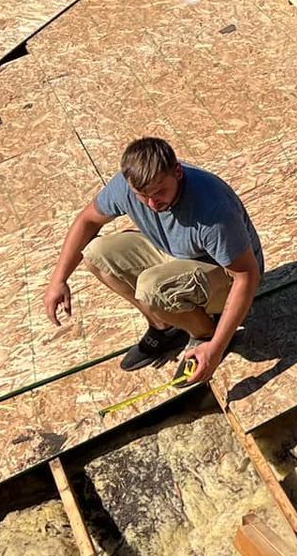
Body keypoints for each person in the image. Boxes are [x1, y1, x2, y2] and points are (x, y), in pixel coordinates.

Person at [44, 137, 265, 387]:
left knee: (152, 288)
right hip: (176, 251)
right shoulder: (129, 186)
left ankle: (205, 333)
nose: (152, 204)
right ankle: (164, 326)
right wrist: (58, 280)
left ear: (178, 172)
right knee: (96, 254)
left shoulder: (213, 210)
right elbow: (88, 220)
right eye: (142, 195)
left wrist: (216, 347)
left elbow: (246, 276)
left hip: (226, 273)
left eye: (160, 192)